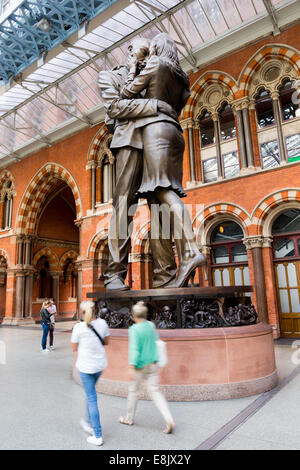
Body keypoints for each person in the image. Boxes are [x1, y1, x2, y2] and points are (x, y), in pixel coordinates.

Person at [120, 33, 206, 287]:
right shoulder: (182, 77)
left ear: (156, 48)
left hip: (156, 131)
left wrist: (133, 67)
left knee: (165, 192)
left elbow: (127, 93)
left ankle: (190, 252)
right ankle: (170, 270)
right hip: (175, 132)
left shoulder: (155, 65)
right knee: (159, 199)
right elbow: (177, 105)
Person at [98, 37, 178, 291]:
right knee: (124, 206)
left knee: (160, 207)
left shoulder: (157, 70)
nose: (147, 55)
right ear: (130, 50)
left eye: (150, 51)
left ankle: (166, 275)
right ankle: (114, 275)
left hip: (157, 143)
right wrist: (155, 105)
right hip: (130, 142)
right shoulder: (109, 77)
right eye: (143, 50)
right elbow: (114, 108)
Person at [119, 301, 175, 434]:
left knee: (133, 390)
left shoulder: (134, 330)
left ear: (134, 316)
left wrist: (131, 367)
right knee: (155, 392)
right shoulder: (151, 325)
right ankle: (169, 419)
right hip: (153, 363)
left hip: (140, 366)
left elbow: (134, 350)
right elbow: (157, 341)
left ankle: (129, 418)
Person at [71, 300, 109, 446]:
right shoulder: (103, 324)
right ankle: (87, 421)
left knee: (92, 398)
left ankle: (97, 434)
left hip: (86, 367)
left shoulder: (79, 327)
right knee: (90, 393)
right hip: (99, 366)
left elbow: (74, 347)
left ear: (82, 312)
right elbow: (106, 342)